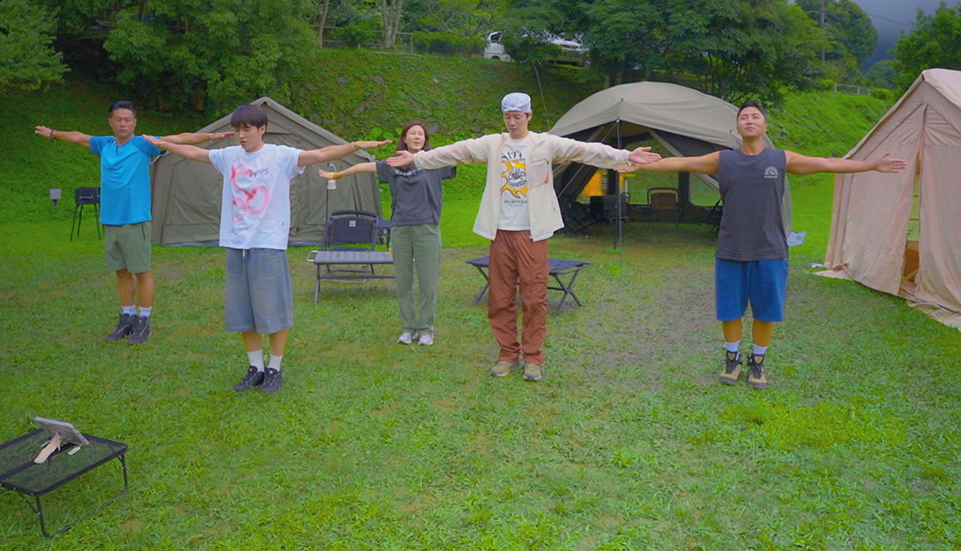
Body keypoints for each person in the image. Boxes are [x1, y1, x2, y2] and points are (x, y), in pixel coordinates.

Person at [627, 101, 907, 389]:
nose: (749, 120)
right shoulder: (723, 160)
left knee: (766, 311)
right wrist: (637, 162)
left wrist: (872, 165)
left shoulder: (781, 159)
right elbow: (681, 162)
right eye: (744, 117)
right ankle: (732, 360)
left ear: (765, 126)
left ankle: (757, 363)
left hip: (770, 250)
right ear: (737, 127)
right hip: (731, 248)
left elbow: (827, 164)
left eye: (755, 117)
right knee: (730, 310)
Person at [387, 92, 660, 381]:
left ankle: (532, 358)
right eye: (508, 117)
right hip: (500, 232)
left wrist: (625, 155)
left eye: (518, 116)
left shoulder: (545, 143)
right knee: (500, 297)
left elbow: (584, 150)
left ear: (529, 116)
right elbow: (456, 151)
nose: (512, 122)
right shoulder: (493, 144)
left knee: (534, 297)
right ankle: (507, 354)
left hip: (533, 233)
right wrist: (417, 158)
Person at [144, 104, 390, 394]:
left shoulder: (280, 155)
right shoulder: (229, 156)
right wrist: (163, 144)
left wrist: (356, 145)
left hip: (268, 244)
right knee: (243, 311)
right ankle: (255, 368)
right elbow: (195, 154)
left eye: (247, 129)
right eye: (237, 130)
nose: (241, 135)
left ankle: (275, 368)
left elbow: (320, 155)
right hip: (237, 244)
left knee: (273, 310)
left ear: (262, 129)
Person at [35, 102, 232, 344]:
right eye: (118, 119)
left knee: (141, 271)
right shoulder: (104, 144)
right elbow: (79, 138)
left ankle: (143, 321)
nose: (123, 123)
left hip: (135, 219)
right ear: (110, 122)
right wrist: (53, 133)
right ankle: (126, 318)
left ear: (135, 123)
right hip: (111, 219)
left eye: (127, 119)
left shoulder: (142, 144)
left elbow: (179, 139)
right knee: (121, 272)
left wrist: (211, 136)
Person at [318, 121, 455, 346]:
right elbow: (361, 168)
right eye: (412, 133)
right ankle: (408, 328)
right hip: (400, 229)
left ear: (425, 140)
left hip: (427, 228)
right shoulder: (391, 165)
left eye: (421, 134)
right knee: (403, 282)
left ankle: (426, 329)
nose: (417, 137)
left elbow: (462, 156)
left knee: (428, 283)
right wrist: (336, 175)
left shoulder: (435, 162)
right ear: (405, 138)